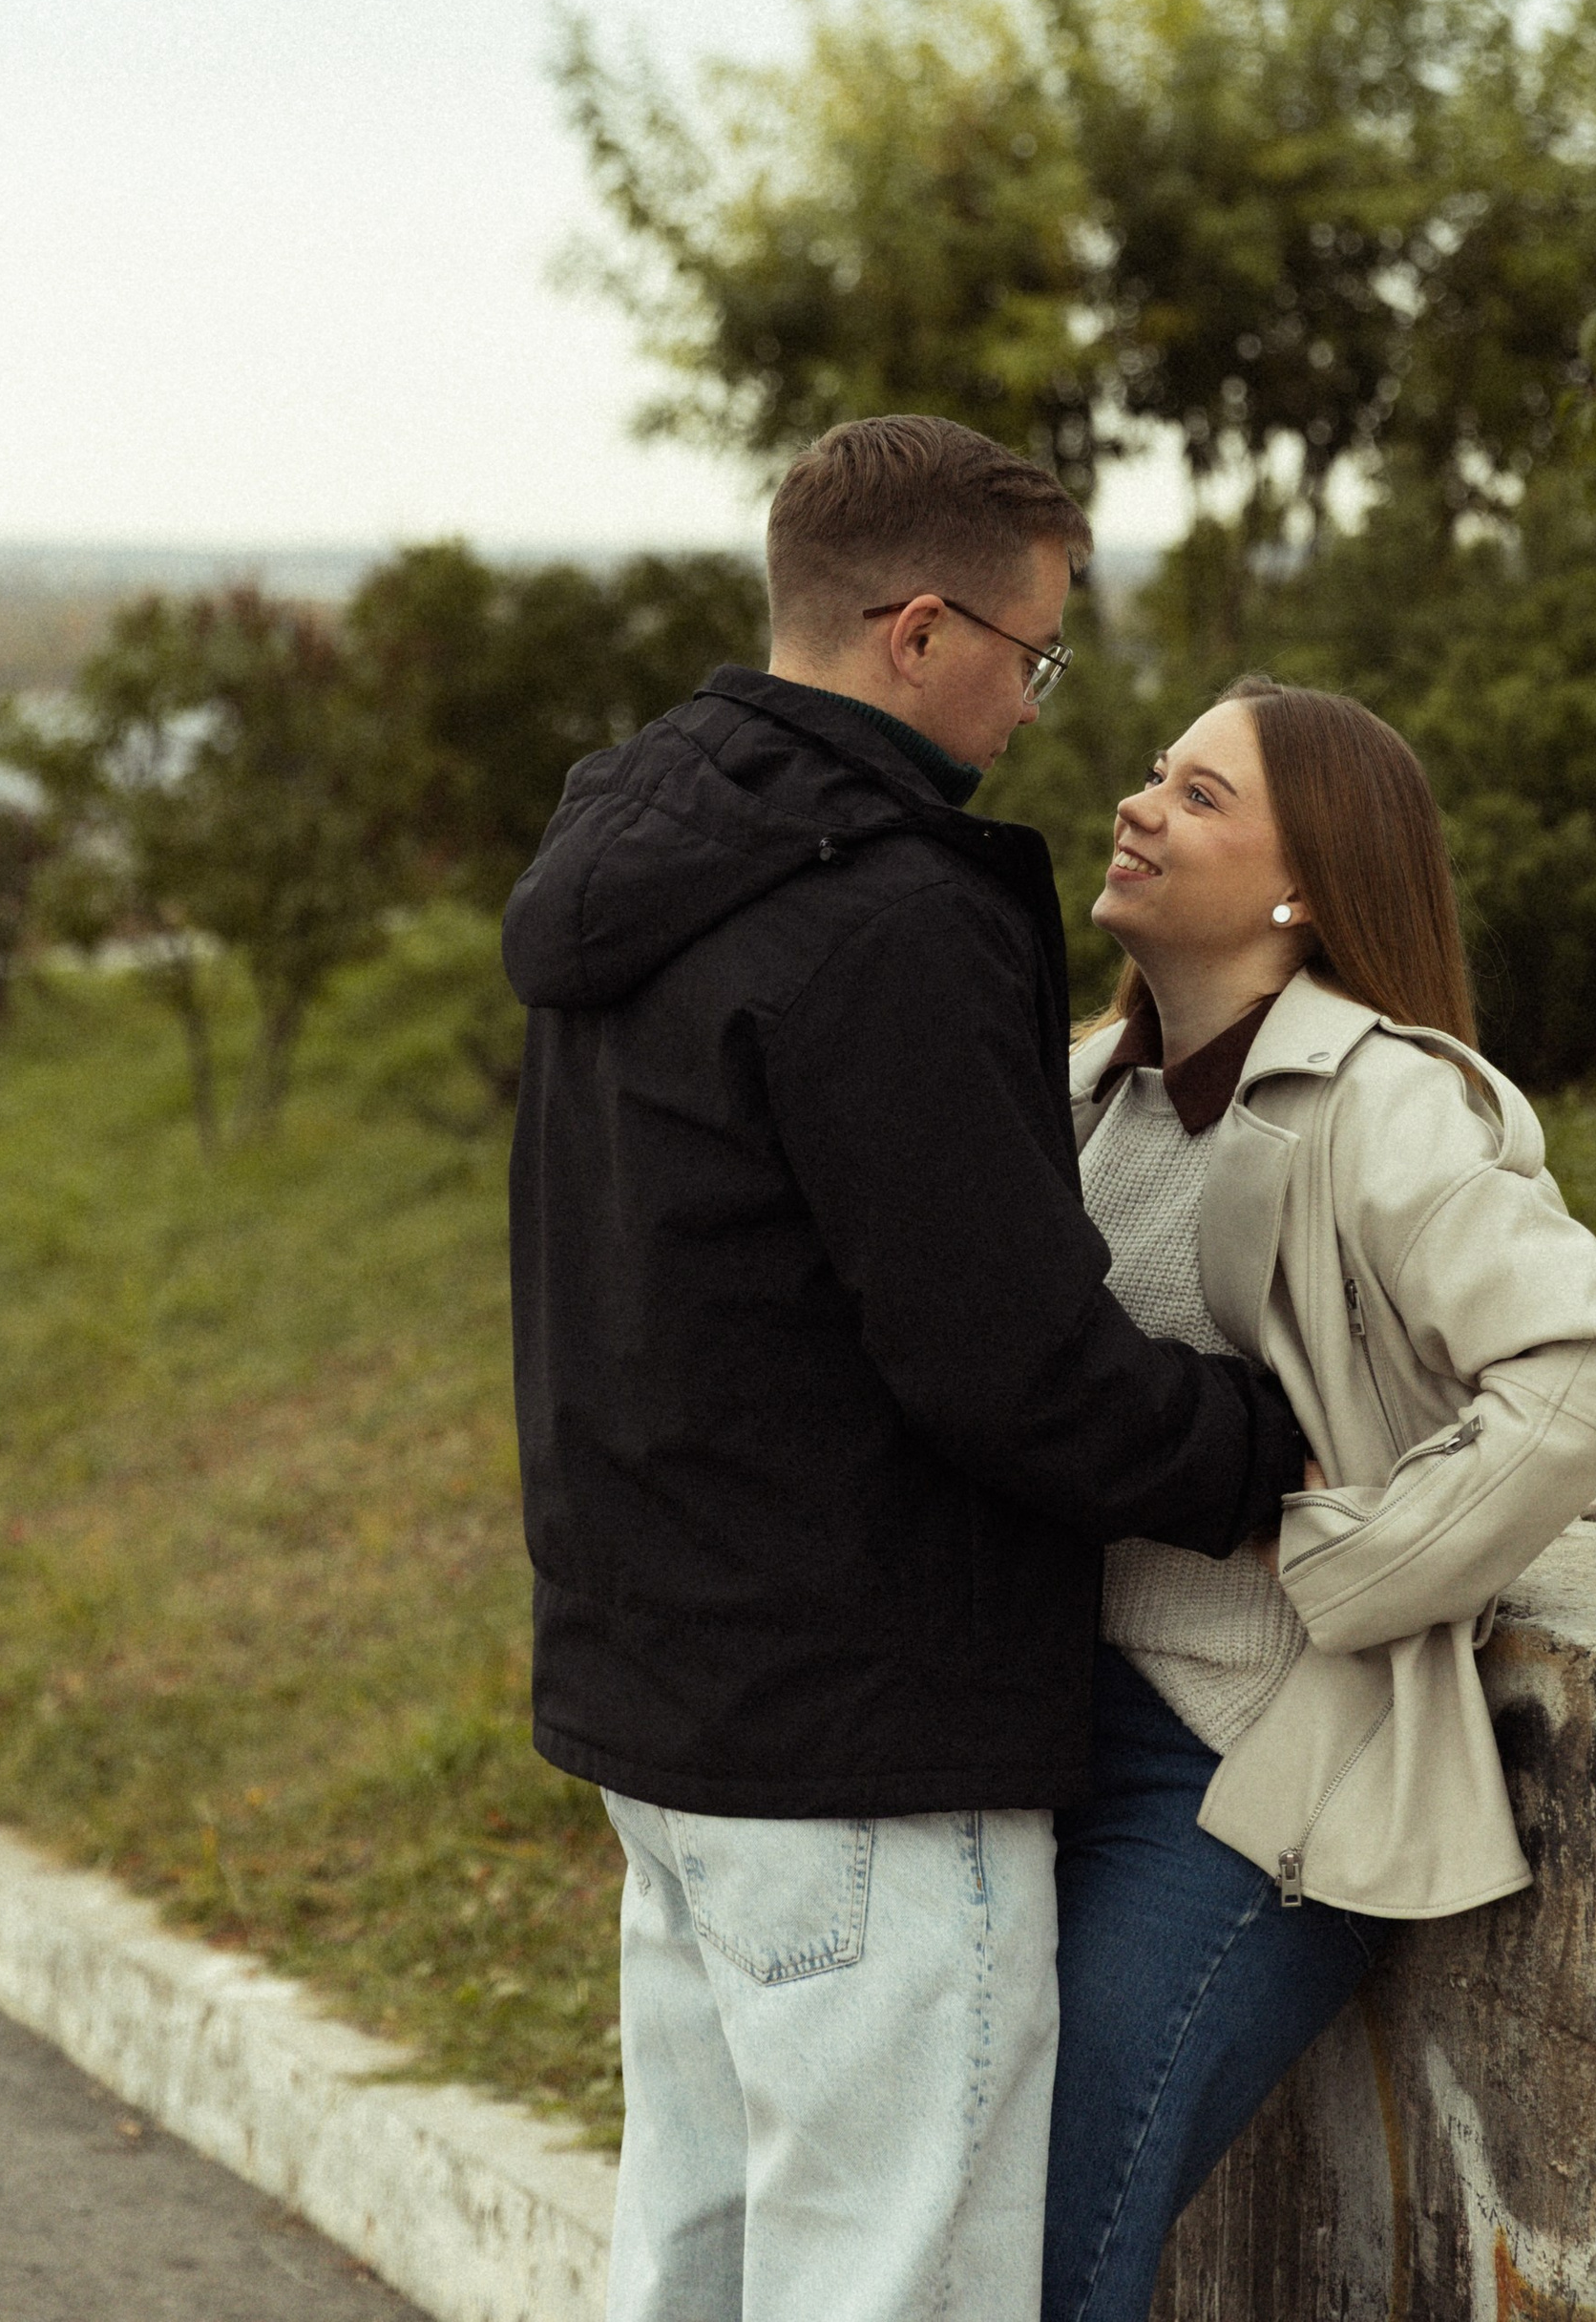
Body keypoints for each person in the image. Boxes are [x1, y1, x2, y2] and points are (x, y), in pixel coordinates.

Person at [502, 419, 1310, 2322]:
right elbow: (1006, 1360)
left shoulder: (638, 867)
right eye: (1031, 658)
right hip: (862, 1733)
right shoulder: (888, 909)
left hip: (668, 1708)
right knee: (893, 2288)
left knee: (692, 2272)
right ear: (919, 632)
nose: (1035, 708)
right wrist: (1272, 1454)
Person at [1044, 675, 1596, 2322]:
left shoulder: (1389, 1099)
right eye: (1150, 773)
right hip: (1027, 1725)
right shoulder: (1079, 1091)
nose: (1137, 805)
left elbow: (1591, 1360)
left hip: (1245, 1761)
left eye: (1196, 795)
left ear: (1303, 886)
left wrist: (1341, 1553)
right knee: (932, 2208)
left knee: (1044, 2239)